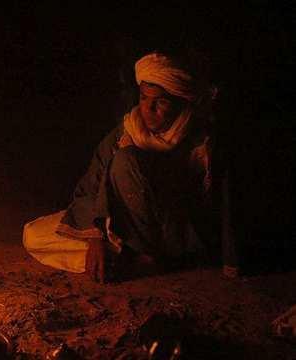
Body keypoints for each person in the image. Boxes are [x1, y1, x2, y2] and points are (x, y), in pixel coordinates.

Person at [23, 52, 223, 282]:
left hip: (167, 237)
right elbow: (88, 189)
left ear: (180, 101)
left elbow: (205, 211)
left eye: (161, 101)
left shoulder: (199, 143)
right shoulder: (127, 132)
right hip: (116, 227)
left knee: (126, 159)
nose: (149, 108)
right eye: (144, 98)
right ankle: (123, 261)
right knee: (34, 234)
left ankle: (147, 258)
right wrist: (96, 237)